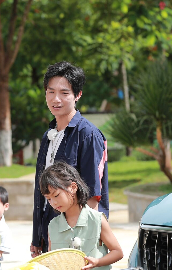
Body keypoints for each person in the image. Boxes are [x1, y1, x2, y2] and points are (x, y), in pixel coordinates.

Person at [31, 61, 109, 258]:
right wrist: (37, 237)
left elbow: (93, 192)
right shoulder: (49, 134)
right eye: (50, 92)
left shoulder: (88, 134)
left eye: (64, 93)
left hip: (76, 237)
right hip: (52, 231)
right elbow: (42, 191)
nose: (56, 99)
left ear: (78, 95)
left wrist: (86, 237)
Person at [40, 161, 123, 270]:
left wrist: (97, 261)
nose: (53, 202)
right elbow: (51, 260)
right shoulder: (52, 225)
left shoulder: (97, 219)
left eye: (56, 195)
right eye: (49, 199)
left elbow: (118, 252)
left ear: (73, 187)